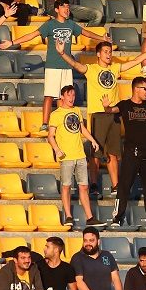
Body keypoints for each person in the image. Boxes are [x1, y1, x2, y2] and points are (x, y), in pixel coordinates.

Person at [56, 38, 146, 193]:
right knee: (96, 152)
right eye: (105, 52)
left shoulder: (115, 68)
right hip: (98, 114)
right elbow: (75, 64)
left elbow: (136, 61)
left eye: (110, 52)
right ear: (98, 54)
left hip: (114, 114)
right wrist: (62, 53)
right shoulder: (91, 69)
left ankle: (115, 185)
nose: (109, 54)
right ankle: (94, 184)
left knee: (113, 152)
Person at [0, 0, 110, 129]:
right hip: (53, 66)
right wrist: (12, 42)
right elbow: (32, 35)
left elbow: (86, 33)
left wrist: (101, 38)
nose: (67, 10)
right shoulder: (50, 24)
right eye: (64, 7)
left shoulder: (71, 24)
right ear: (57, 9)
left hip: (67, 66)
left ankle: (61, 122)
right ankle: (45, 124)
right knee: (49, 95)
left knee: (63, 97)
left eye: (68, 7)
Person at [100, 76, 146, 228]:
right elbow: (111, 110)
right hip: (131, 153)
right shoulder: (125, 105)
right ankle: (117, 218)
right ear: (136, 89)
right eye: (145, 89)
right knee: (124, 187)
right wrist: (106, 107)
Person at [48, 84, 104, 227]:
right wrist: (56, 149)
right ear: (62, 97)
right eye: (69, 95)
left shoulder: (77, 110)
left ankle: (90, 217)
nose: (72, 98)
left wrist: (92, 140)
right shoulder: (55, 114)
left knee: (84, 186)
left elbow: (82, 128)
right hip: (66, 156)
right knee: (66, 186)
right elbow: (50, 136)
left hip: (80, 155)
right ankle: (68, 216)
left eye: (73, 95)